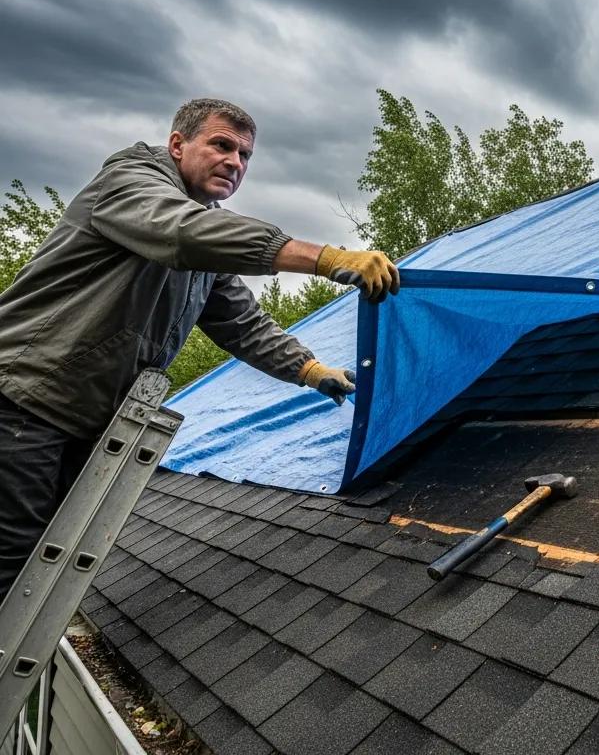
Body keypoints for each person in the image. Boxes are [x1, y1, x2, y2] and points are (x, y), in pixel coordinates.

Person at [0, 98, 399, 602]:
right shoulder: (130, 185)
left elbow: (241, 321)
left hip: (85, 420)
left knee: (44, 568)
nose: (235, 162)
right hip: (22, 400)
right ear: (176, 146)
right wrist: (324, 258)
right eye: (221, 145)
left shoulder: (205, 239)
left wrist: (310, 369)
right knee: (12, 564)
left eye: (245, 155)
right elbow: (181, 232)